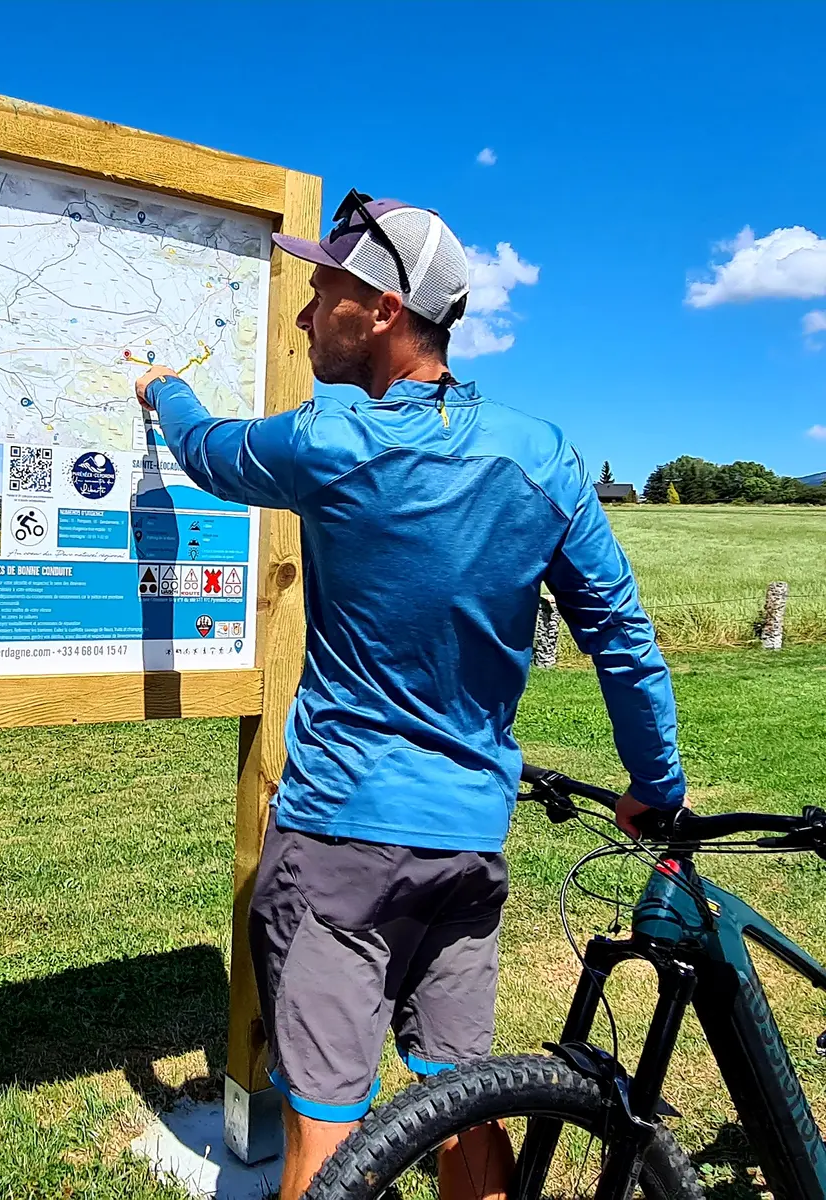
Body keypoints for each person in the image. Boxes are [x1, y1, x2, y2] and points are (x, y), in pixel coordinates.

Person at [134, 191, 685, 1200]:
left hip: (340, 843)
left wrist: (163, 391)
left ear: (383, 310)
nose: (305, 315)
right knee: (462, 1110)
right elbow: (618, 629)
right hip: (467, 849)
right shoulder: (543, 454)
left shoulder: (334, 441)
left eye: (323, 291)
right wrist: (657, 780)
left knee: (326, 1139)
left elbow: (208, 450)